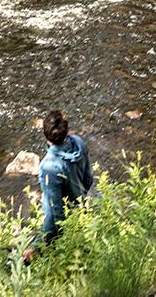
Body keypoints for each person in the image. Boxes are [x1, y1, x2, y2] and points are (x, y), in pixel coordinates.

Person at [23, 109, 94, 262]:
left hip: (66, 224)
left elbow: (54, 216)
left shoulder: (48, 167)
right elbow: (88, 179)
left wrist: (36, 246)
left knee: (17, 260)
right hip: (82, 210)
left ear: (45, 133)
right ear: (66, 129)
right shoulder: (79, 143)